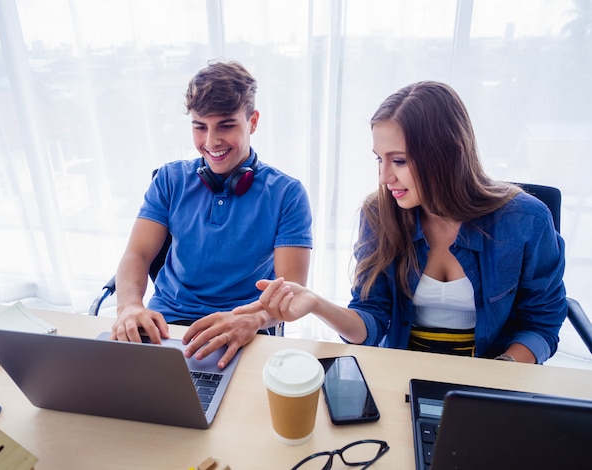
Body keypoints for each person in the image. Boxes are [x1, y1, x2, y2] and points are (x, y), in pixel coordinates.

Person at [240, 80, 567, 364]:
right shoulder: (379, 215)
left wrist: (502, 371)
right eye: (379, 159)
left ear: (448, 152)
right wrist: (316, 304)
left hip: (488, 385)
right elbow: (371, 321)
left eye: (398, 160)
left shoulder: (526, 221)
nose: (384, 177)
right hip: (402, 380)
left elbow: (542, 322)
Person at [111, 60, 312, 369]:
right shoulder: (169, 179)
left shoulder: (288, 194)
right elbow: (137, 254)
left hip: (243, 327)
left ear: (253, 121)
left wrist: (256, 318)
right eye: (200, 127)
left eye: (226, 125)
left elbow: (293, 292)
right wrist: (128, 306)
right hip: (168, 326)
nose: (211, 142)